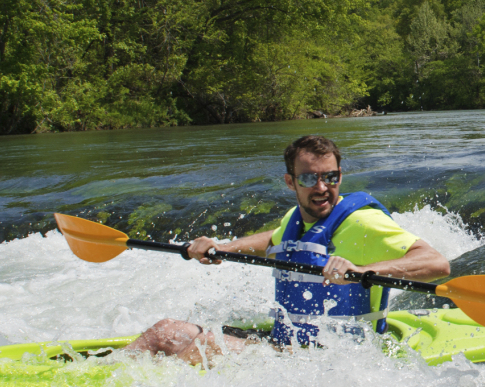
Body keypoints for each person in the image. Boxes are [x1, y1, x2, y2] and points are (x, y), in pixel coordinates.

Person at [128, 135, 450, 362]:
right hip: (287, 348)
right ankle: (101, 376)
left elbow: (436, 264)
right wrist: (221, 248)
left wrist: (364, 271)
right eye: (309, 178)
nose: (322, 188)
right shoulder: (295, 220)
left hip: (337, 359)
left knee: (209, 346)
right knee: (163, 331)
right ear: (290, 181)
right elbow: (273, 240)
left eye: (330, 177)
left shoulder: (364, 225)